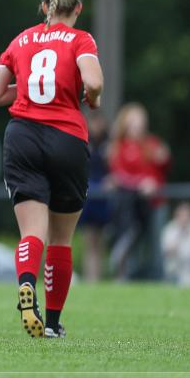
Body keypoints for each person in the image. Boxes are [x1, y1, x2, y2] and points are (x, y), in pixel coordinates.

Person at [0, 0, 103, 339]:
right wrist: (91, 100)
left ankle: (25, 286)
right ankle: (51, 323)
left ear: (43, 7)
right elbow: (94, 83)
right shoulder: (81, 39)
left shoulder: (21, 40)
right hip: (66, 137)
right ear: (78, 8)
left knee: (31, 232)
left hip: (22, 137)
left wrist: (29, 91)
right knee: (61, 240)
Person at [108, 102, 171, 280]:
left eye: (141, 119)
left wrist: (165, 158)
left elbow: (164, 167)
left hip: (155, 203)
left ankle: (160, 277)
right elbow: (118, 174)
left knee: (155, 243)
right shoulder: (118, 146)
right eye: (134, 119)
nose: (139, 123)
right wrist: (141, 183)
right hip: (131, 206)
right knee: (131, 242)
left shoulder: (152, 143)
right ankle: (129, 276)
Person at [78, 113, 111, 281]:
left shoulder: (109, 145)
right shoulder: (83, 142)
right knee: (89, 240)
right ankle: (90, 278)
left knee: (101, 240)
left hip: (103, 197)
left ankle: (99, 277)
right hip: (88, 194)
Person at [161, 202, 190, 287]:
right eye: (182, 216)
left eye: (187, 216)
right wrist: (180, 235)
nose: (184, 219)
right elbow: (168, 251)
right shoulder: (170, 229)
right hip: (175, 271)